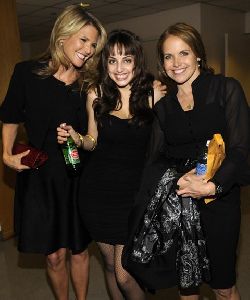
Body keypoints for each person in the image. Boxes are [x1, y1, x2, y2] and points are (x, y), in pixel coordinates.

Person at [122, 22, 250, 300]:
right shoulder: (164, 105)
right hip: (179, 203)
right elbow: (154, 157)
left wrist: (213, 186)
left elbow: (241, 149)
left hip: (219, 201)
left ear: (198, 55)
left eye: (184, 53)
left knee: (223, 286)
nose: (176, 63)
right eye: (168, 56)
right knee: (186, 284)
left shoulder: (226, 89)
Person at [0, 5, 106, 300]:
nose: (88, 49)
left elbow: (94, 135)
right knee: (54, 256)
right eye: (83, 40)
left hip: (77, 177)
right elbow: (10, 115)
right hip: (40, 179)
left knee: (80, 250)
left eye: (93, 44)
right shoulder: (27, 73)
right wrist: (6, 154)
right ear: (63, 35)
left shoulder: (89, 84)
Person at [57, 29, 166, 300]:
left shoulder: (153, 95)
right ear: (105, 63)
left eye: (127, 60)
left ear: (137, 62)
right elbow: (92, 141)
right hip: (97, 194)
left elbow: (165, 143)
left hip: (135, 196)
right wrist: (77, 137)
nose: (119, 68)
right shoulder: (96, 94)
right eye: (112, 60)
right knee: (108, 264)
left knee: (124, 273)